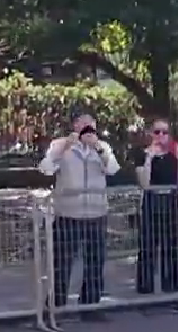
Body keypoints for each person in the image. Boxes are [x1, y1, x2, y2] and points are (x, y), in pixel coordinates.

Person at [40, 110, 120, 316]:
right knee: (62, 263)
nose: (87, 129)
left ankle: (91, 306)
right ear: (74, 126)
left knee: (95, 261)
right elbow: (46, 168)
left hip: (96, 213)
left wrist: (98, 148)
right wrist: (65, 145)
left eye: (91, 125)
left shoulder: (103, 147)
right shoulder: (60, 145)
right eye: (83, 125)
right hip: (68, 214)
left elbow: (113, 169)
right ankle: (56, 306)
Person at [135, 118, 178, 302]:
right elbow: (144, 183)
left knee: (171, 246)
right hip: (151, 203)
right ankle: (145, 289)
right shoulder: (143, 155)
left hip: (170, 203)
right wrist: (150, 157)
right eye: (157, 132)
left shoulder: (175, 156)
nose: (161, 136)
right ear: (151, 134)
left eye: (165, 132)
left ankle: (171, 287)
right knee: (148, 247)